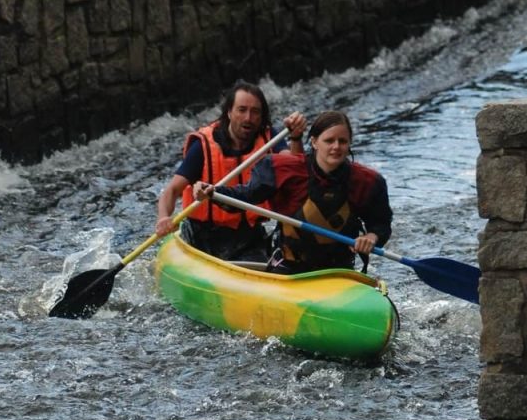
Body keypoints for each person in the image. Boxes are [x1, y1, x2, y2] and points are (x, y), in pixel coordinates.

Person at [193, 110, 392, 274]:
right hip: (289, 269)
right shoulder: (283, 169)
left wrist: (371, 237)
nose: (336, 147)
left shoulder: (368, 182)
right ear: (314, 142)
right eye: (329, 140)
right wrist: (213, 192)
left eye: (343, 141)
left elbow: (381, 224)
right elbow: (246, 196)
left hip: (338, 271)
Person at [155, 80, 308, 261]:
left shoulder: (270, 139)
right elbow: (172, 190)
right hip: (201, 236)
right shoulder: (204, 145)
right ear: (229, 112)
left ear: (261, 117)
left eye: (255, 112)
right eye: (242, 110)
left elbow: (296, 170)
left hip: (248, 236)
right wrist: (163, 218)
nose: (248, 118)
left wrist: (296, 137)